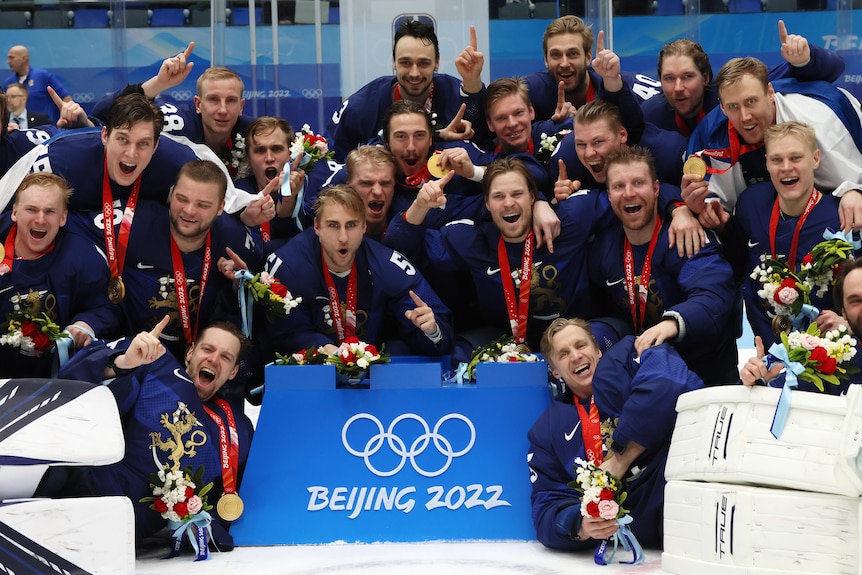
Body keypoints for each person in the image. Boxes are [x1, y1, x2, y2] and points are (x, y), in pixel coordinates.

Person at [46, 315, 254, 546]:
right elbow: (72, 383)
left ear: (233, 372)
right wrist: (123, 363)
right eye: (208, 349)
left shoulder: (237, 427)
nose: (214, 359)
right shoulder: (153, 361)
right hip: (81, 495)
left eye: (225, 357)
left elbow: (223, 500)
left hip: (129, 537)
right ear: (190, 352)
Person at [385, 157, 624, 353]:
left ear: (532, 196)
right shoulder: (471, 240)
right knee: (458, 354)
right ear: (486, 204)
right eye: (498, 196)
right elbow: (399, 250)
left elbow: (628, 199)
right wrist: (419, 206)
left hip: (576, 330)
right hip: (506, 340)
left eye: (517, 194)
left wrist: (665, 209)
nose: (508, 203)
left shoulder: (569, 219)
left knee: (594, 342)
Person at [527, 318, 703, 550]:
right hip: (635, 539)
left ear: (598, 350)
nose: (576, 356)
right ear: (555, 373)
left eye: (581, 346)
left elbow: (669, 383)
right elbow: (546, 505)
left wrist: (621, 457)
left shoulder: (631, 354)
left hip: (683, 495)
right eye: (563, 354)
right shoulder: (546, 430)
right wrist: (580, 524)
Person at [65, 159, 264, 364]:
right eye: (181, 199)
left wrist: (240, 282)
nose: (189, 211)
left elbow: (257, 263)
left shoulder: (233, 238)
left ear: (221, 207)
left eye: (203, 205)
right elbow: (70, 225)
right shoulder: (132, 221)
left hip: (192, 361)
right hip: (126, 353)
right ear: (171, 195)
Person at [588, 146, 738, 386]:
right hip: (645, 374)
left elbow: (715, 296)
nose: (628, 193)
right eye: (618, 186)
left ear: (657, 189)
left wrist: (671, 324)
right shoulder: (604, 248)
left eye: (638, 183)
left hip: (705, 375)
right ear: (608, 195)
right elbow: (600, 311)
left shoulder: (685, 235)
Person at [263, 184, 454, 357]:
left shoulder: (386, 264)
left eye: (351, 225)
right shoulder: (290, 264)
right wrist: (327, 349)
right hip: (310, 373)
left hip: (368, 366)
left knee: (399, 351)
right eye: (333, 225)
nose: (343, 238)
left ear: (364, 227)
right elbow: (286, 335)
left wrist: (432, 330)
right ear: (316, 227)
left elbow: (439, 329)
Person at [683, 56, 862, 229]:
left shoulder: (821, 121)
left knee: (851, 207)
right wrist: (703, 213)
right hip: (767, 221)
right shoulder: (711, 139)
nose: (745, 117)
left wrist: (855, 191)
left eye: (751, 102)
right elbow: (715, 208)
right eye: (733, 106)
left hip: (841, 164)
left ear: (770, 93)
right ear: (722, 107)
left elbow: (855, 176)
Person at [733, 121, 856, 346]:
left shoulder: (842, 217)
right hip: (768, 360)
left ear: (815, 159)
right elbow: (735, 265)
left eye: (796, 158)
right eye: (777, 159)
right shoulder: (750, 205)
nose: (786, 167)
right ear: (767, 164)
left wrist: (850, 323)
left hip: (831, 359)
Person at [0, 172, 119, 377]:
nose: (40, 219)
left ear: (63, 217)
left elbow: (108, 308)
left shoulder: (81, 257)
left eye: (50, 211)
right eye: (31, 209)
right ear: (15, 212)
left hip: (52, 381)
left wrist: (87, 323)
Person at [642, 22, 846, 138]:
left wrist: (805, 59)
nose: (678, 87)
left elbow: (834, 69)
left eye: (687, 76)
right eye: (669, 78)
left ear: (705, 77)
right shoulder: (651, 113)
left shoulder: (735, 91)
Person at [324, 20, 485, 162]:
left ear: (437, 62)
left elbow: (484, 139)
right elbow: (331, 159)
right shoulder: (361, 106)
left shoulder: (457, 94)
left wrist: (473, 84)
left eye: (423, 63)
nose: (414, 73)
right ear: (394, 62)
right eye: (405, 63)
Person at [91, 43, 254, 179]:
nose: (223, 110)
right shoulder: (177, 122)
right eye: (213, 99)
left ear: (241, 106)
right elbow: (104, 113)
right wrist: (159, 83)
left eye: (231, 101)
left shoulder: (254, 132)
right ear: (198, 104)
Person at [522, 16, 660, 123]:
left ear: (588, 57)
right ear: (546, 60)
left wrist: (613, 82)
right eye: (556, 55)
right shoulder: (529, 91)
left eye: (572, 54)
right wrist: (552, 126)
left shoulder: (624, 85)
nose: (564, 63)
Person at [548, 98, 687, 195]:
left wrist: (678, 208)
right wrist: (557, 202)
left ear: (622, 135)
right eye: (581, 144)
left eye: (598, 142)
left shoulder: (667, 154)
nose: (589, 153)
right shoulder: (567, 164)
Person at [234, 116, 306, 251]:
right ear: (248, 158)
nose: (269, 158)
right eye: (260, 150)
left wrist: (287, 201)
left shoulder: (308, 189)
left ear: (291, 153)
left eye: (277, 149)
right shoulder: (235, 195)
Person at [5, 45, 71, 122]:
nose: (8, 62)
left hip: (46, 128)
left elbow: (66, 99)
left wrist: (66, 120)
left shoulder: (43, 76)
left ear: (24, 58)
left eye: (12, 58)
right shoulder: (9, 82)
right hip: (20, 129)